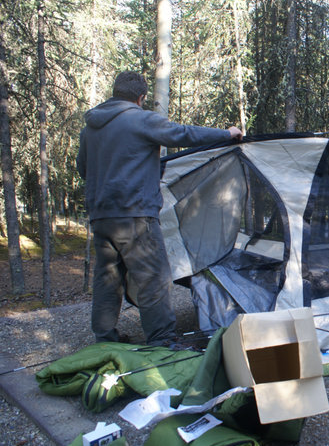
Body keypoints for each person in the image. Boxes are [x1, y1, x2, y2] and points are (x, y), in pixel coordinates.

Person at [77, 71, 243, 346]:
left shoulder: (91, 127)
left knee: (108, 278)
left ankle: (105, 338)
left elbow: (83, 168)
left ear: (116, 91)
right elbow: (182, 133)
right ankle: (163, 341)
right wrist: (226, 134)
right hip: (135, 215)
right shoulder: (139, 119)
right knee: (153, 277)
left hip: (101, 216)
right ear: (140, 98)